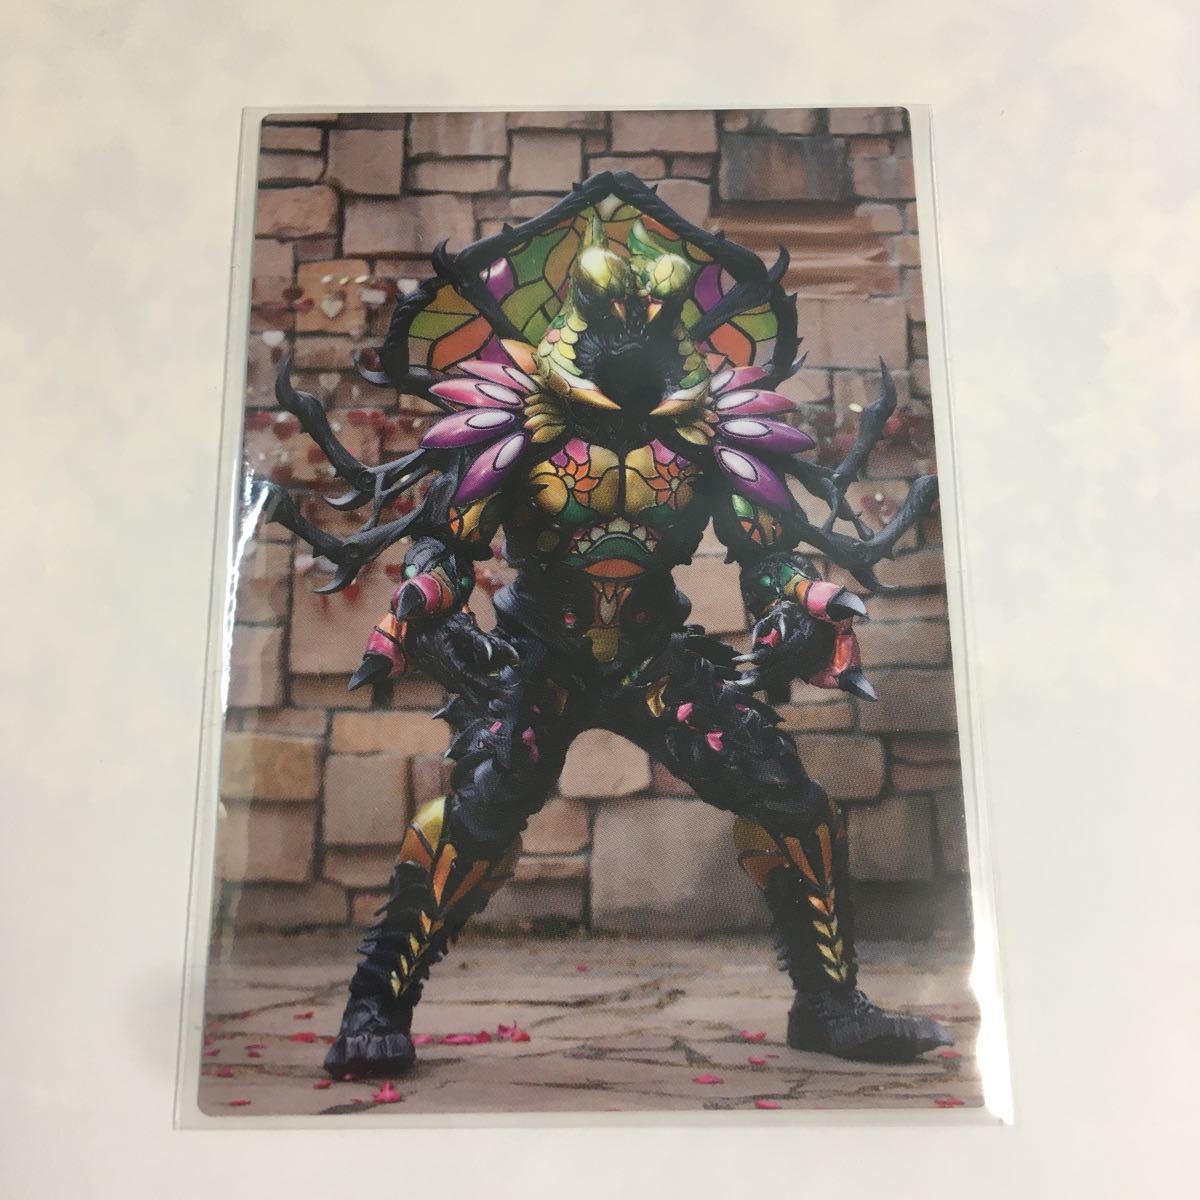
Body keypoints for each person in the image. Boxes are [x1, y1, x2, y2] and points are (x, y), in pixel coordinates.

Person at [258, 173, 950, 1080]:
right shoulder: (511, 417)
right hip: (539, 650)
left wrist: (803, 599)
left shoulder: (714, 427)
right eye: (616, 317)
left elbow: (766, 555)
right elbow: (450, 545)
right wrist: (426, 596)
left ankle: (830, 1005)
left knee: (789, 801)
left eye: (651, 321)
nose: (634, 336)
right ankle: (376, 1002)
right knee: (483, 810)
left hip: (654, 653)